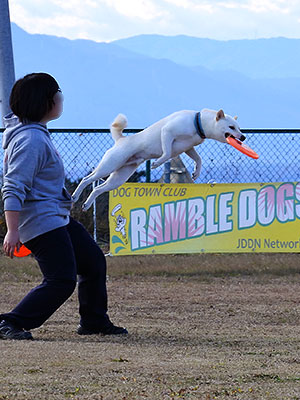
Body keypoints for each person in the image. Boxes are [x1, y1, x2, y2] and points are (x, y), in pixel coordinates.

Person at [0, 72, 128, 340]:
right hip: (41, 222)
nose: (61, 97)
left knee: (93, 262)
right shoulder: (30, 140)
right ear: (44, 100)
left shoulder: (35, 134)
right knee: (61, 279)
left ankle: (93, 321)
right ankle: (9, 322)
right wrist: (13, 231)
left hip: (56, 217)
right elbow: (13, 186)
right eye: (57, 92)